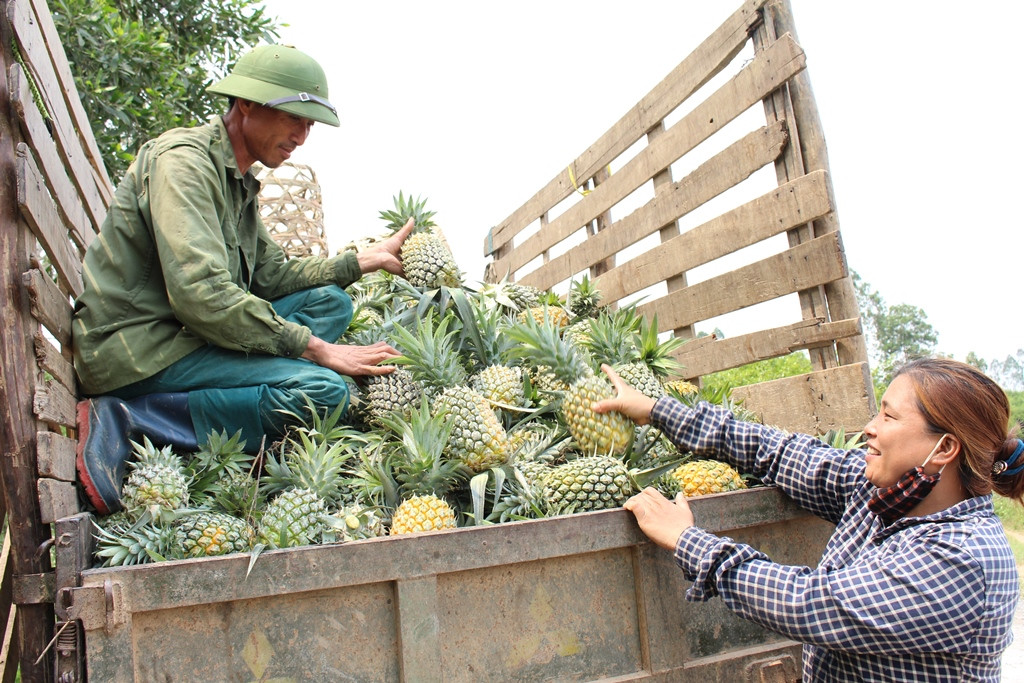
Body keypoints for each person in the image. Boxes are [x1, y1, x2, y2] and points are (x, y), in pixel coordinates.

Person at [72, 44, 413, 516]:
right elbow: (201, 295)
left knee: (332, 303)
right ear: (246, 104)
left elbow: (271, 274)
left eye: (310, 124)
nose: (302, 135)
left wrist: (359, 262)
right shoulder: (184, 165)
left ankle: (225, 395)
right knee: (324, 391)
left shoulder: (237, 180)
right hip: (139, 349)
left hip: (187, 333)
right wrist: (316, 349)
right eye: (294, 116)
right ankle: (135, 418)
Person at [593, 357, 1021, 681]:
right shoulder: (884, 489)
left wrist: (687, 540)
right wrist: (654, 409)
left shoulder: (964, 560)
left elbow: (809, 603)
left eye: (889, 416)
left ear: (945, 449)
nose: (869, 427)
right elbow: (777, 451)